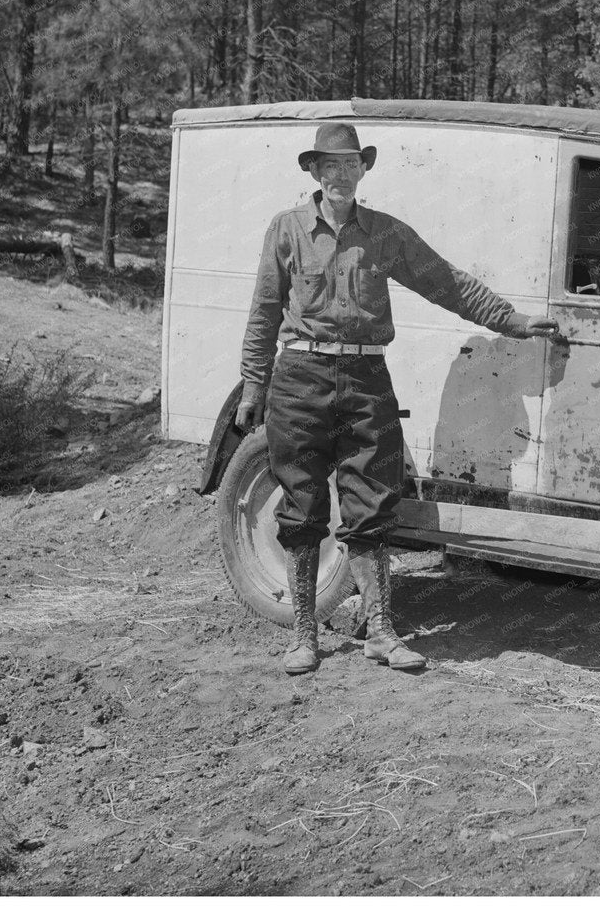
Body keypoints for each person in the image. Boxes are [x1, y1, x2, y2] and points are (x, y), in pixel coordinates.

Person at [236, 122, 559, 675]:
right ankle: (304, 636)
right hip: (300, 376)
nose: (341, 175)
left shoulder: (384, 234)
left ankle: (382, 632)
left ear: (364, 170)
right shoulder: (286, 229)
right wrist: (252, 383)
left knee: (372, 499)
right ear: (314, 172)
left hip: (366, 377)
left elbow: (446, 282)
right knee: (302, 501)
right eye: (330, 166)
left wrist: (512, 320)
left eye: (350, 165)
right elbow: (265, 310)